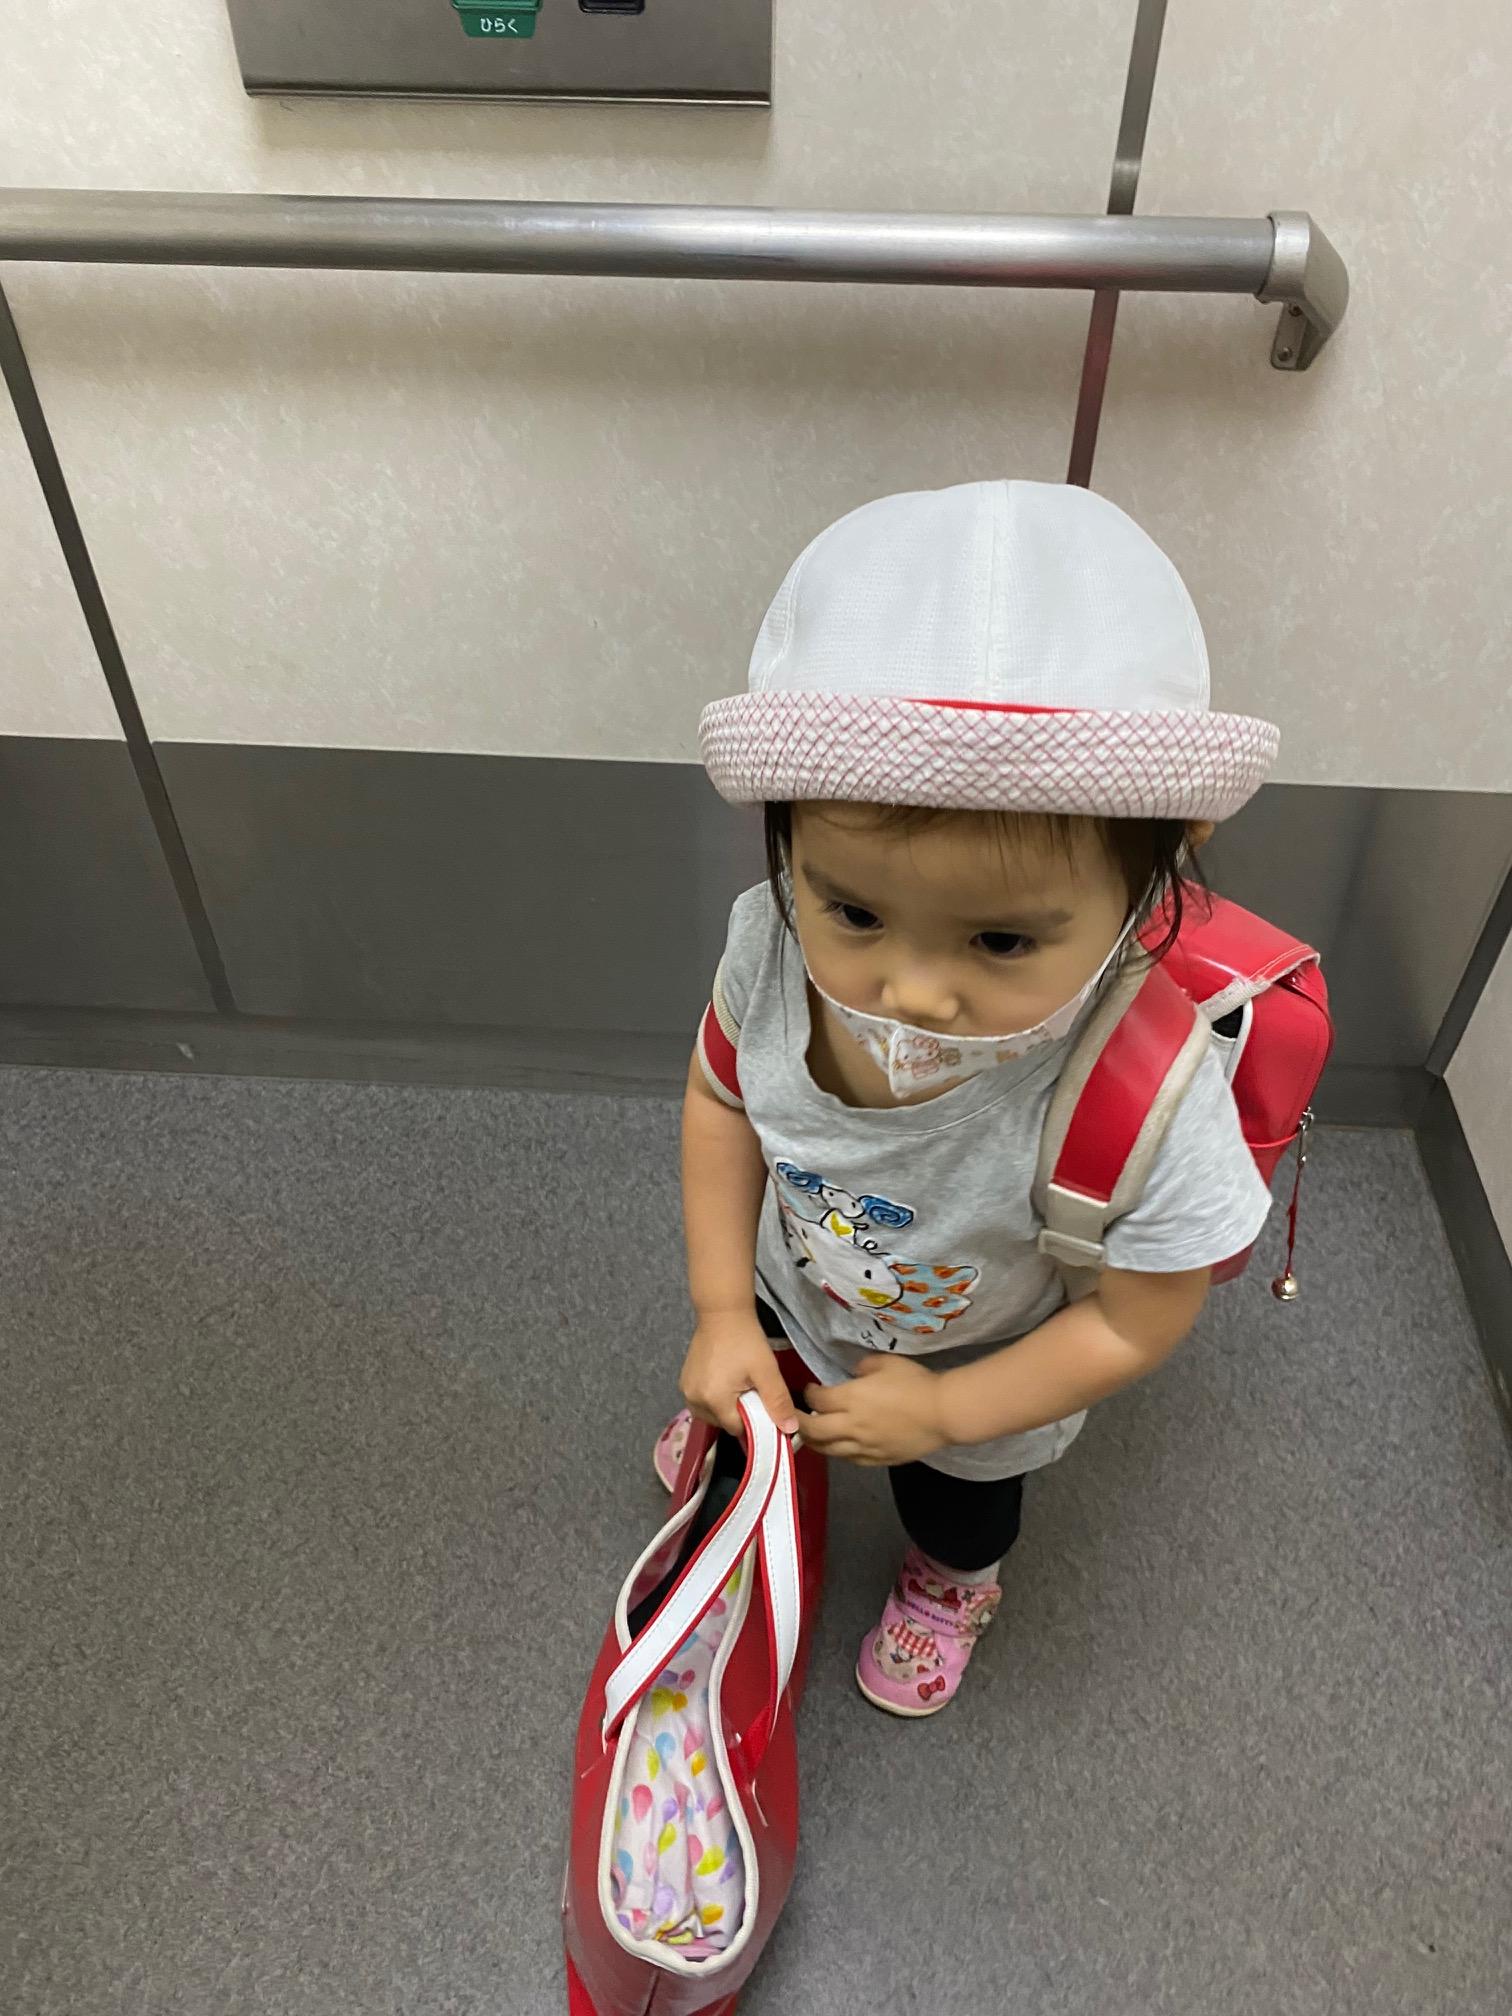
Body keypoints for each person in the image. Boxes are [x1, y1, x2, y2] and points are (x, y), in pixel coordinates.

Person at [660, 479, 1278, 1717]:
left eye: (1001, 941)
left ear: (1162, 862)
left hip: (985, 1367)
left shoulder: (1147, 1092)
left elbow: (1136, 1324)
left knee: (959, 1500)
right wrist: (724, 1308)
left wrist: (945, 1407)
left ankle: (951, 1585)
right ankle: (758, 1416)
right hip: (797, 1286)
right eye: (853, 910)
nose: (914, 992)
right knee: (758, 1377)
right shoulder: (769, 951)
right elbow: (723, 1100)